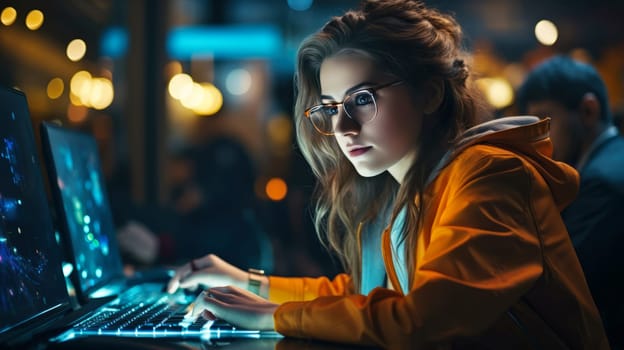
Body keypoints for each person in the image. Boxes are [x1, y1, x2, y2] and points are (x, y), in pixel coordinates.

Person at [167, 1, 609, 348]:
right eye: (332, 107)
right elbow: (363, 295)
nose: (341, 128)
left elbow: (421, 319)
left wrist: (267, 316)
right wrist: (249, 285)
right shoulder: (416, 191)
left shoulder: (489, 174)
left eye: (362, 98)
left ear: (430, 93)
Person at [516, 55, 624, 349]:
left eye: (544, 123)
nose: (536, 142)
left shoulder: (603, 182)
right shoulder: (610, 163)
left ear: (588, 111)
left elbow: (559, 285)